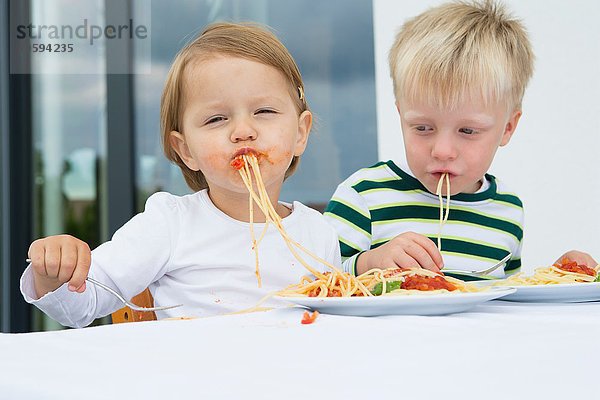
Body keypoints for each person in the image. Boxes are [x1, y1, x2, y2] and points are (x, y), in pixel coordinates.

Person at [21, 22, 341, 328]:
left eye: (264, 112)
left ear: (300, 133)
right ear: (185, 149)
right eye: (217, 119)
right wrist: (54, 274)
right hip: (192, 380)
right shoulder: (171, 224)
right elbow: (83, 305)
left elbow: (337, 321)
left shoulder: (318, 233)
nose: (243, 131)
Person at [324, 0, 596, 278]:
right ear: (401, 116)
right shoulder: (364, 197)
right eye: (422, 128)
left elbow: (506, 295)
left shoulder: (507, 211)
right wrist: (368, 263)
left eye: (467, 131)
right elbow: (313, 279)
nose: (442, 151)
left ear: (507, 128)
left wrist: (559, 275)